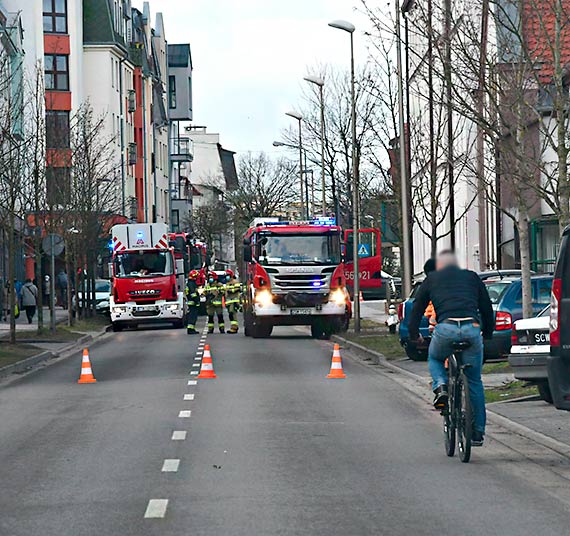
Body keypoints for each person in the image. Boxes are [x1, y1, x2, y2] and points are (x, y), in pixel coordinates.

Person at [408, 251, 494, 446]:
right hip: (471, 329)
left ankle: (441, 386)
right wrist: (487, 334)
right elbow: (486, 308)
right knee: (474, 381)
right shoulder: (471, 277)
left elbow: (416, 310)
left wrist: (415, 336)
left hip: (445, 328)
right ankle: (478, 432)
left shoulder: (431, 280)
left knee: (436, 358)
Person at [224, 269, 241, 334]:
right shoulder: (227, 283)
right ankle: (233, 327)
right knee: (231, 315)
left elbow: (237, 289)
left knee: (232, 313)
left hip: (234, 301)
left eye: (227, 275)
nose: (226, 277)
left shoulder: (235, 282)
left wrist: (231, 291)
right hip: (229, 302)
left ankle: (234, 327)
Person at [186, 270, 201, 335]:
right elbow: (193, 294)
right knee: (193, 316)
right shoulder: (191, 284)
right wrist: (197, 300)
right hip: (193, 303)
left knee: (192, 316)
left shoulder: (189, 283)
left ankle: (191, 328)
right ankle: (191, 329)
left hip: (191, 302)